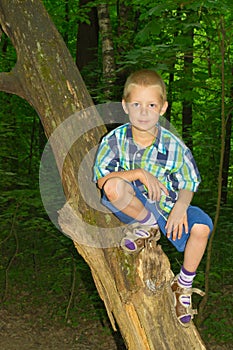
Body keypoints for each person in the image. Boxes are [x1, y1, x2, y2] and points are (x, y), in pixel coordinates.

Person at [93, 69, 213, 327]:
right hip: (138, 205)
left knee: (202, 227)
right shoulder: (115, 140)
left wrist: (181, 207)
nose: (143, 112)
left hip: (170, 207)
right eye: (136, 104)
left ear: (163, 108)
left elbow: (190, 181)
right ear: (125, 106)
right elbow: (102, 180)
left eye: (151, 105)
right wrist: (138, 173)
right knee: (114, 186)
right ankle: (146, 226)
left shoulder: (173, 145)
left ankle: (183, 285)